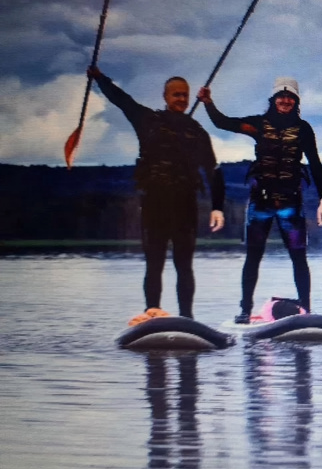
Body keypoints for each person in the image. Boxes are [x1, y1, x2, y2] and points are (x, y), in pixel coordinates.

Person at [88, 66, 225, 319]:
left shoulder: (197, 132)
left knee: (184, 265)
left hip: (185, 205)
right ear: (165, 97)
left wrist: (217, 207)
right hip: (155, 203)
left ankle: (187, 318)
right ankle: (152, 311)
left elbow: (213, 171)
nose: (181, 99)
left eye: (185, 95)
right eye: (176, 95)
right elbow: (122, 100)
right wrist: (99, 78)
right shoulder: (147, 120)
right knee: (154, 262)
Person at [197, 77, 322, 322]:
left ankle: (306, 310)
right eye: (281, 97)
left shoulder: (303, 130)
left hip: (291, 203)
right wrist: (208, 102)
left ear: (296, 101)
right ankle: (245, 310)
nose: (286, 101)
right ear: (274, 99)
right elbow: (222, 122)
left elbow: (315, 163)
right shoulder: (258, 125)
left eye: (290, 97)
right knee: (253, 256)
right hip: (261, 203)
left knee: (299, 257)